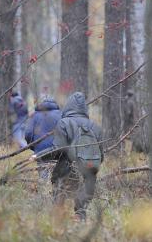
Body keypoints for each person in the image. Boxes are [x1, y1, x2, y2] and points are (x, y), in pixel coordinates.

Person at [50, 92, 104, 220]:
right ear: (84, 108)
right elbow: (101, 157)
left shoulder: (63, 123)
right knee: (81, 208)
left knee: (59, 204)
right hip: (89, 174)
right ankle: (80, 223)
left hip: (66, 170)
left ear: (68, 106)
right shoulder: (95, 127)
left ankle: (58, 228)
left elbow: (58, 150)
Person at [25, 95, 61, 179]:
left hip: (40, 151)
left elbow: (28, 133)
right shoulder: (61, 114)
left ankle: (44, 190)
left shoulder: (35, 115)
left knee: (43, 177)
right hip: (58, 150)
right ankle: (56, 191)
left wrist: (34, 146)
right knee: (57, 177)